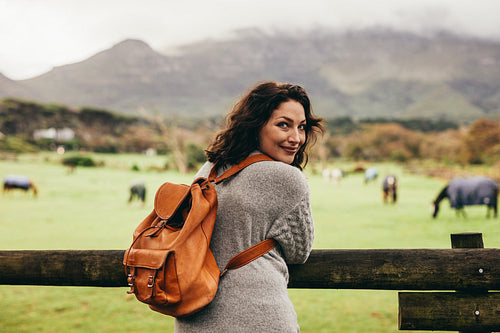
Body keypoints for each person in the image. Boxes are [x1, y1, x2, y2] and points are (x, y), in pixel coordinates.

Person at [175, 81, 324, 332]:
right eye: (283, 125)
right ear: (256, 125)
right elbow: (299, 252)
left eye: (302, 127)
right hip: (259, 315)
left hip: (193, 316)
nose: (296, 138)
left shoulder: (209, 170)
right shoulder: (287, 178)